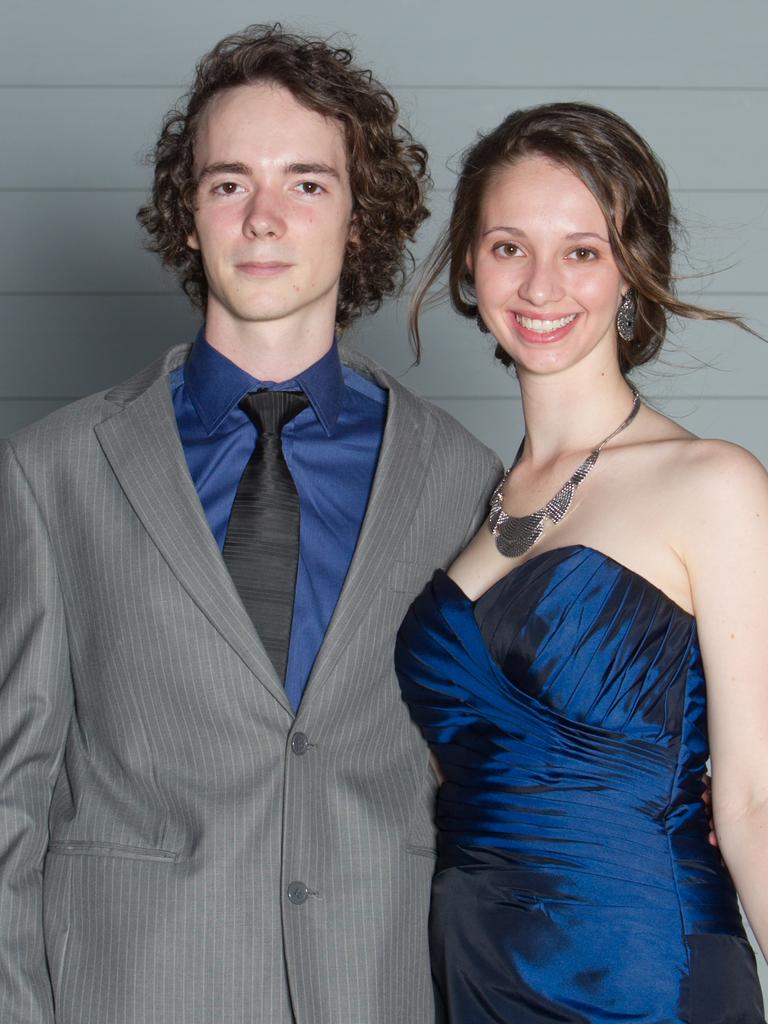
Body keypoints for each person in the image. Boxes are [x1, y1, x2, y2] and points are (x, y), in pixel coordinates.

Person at [0, 25, 502, 1024]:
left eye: (307, 183)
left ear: (360, 219)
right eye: (230, 183)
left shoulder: (461, 479)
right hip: (131, 992)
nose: (265, 218)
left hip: (383, 991)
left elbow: (494, 779)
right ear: (189, 217)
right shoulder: (52, 472)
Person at [396, 101, 768, 1021]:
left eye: (583, 250)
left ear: (630, 271)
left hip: (640, 971)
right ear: (469, 267)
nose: (541, 285)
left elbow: (756, 803)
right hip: (472, 963)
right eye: (509, 246)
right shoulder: (471, 505)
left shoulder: (711, 483)